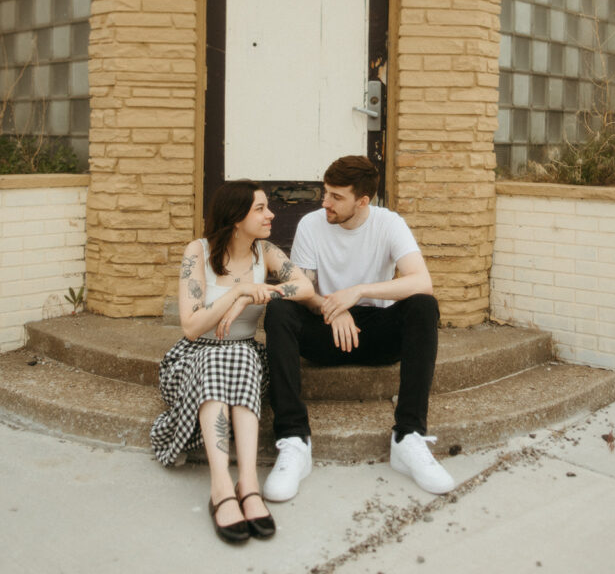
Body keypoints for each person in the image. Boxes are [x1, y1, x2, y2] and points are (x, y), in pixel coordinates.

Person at [262, 155, 455, 502]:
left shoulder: (388, 223)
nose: (326, 203)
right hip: (325, 331)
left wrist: (359, 292)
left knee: (424, 306)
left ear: (363, 201)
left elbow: (422, 280)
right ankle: (294, 439)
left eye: (336, 197)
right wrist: (333, 308)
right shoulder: (311, 224)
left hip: (377, 334)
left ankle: (408, 436)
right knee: (279, 309)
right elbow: (304, 290)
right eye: (325, 193)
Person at [150, 180, 313, 545]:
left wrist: (264, 292)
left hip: (243, 356)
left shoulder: (265, 252)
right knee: (218, 361)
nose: (270, 214)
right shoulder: (198, 251)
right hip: (194, 357)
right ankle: (223, 486)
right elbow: (191, 327)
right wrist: (238, 292)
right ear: (236, 217)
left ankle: (248, 484)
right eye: (260, 208)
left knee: (237, 355)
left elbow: (305, 289)